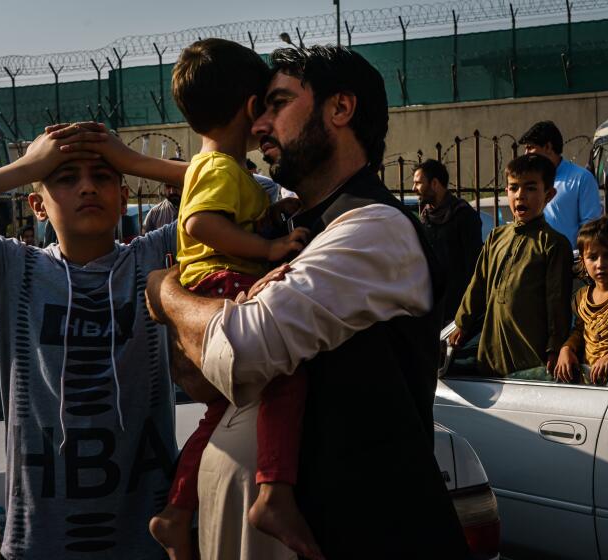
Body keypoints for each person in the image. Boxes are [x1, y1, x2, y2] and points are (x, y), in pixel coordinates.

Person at [142, 45, 469, 560]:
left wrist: (166, 293)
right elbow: (198, 373)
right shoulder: (297, 227)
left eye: (277, 104)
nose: (260, 124)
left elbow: (242, 349)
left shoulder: (372, 228)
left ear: (340, 109)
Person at [0, 125, 190, 559]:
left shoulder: (152, 260)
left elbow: (258, 194)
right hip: (39, 543)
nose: (87, 188)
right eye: (65, 177)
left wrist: (133, 160)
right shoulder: (13, 270)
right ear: (37, 205)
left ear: (124, 194)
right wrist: (22, 168)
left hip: (148, 540)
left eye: (103, 176)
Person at [141, 38, 315, 560]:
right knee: (286, 366)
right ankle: (274, 492)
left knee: (218, 413)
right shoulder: (220, 169)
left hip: (209, 284)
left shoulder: (210, 166)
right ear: (249, 107)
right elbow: (198, 223)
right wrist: (267, 246)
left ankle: (176, 512)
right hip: (220, 284)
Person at [449, 153, 573, 377]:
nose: (520, 196)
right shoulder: (496, 237)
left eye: (530, 188)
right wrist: (462, 324)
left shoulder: (553, 244)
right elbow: (478, 284)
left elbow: (557, 303)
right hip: (490, 354)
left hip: (530, 358)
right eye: (513, 188)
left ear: (549, 194)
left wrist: (554, 348)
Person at [554, 216, 608, 384]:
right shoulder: (581, 297)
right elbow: (580, 331)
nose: (600, 264)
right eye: (592, 257)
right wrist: (567, 348)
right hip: (587, 379)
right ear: (582, 260)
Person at [413, 158, 483, 323]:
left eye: (418, 183)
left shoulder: (463, 216)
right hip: (432, 307)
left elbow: (474, 266)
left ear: (435, 183)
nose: (414, 188)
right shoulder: (425, 218)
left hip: (458, 309)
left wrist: (467, 310)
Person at [519, 121, 601, 250]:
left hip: (568, 262)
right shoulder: (529, 181)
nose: (526, 154)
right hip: (535, 260)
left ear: (547, 147)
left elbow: (590, 227)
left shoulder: (581, 178)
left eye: (530, 147)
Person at [144, 157, 186, 233]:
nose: (172, 191)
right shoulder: (155, 214)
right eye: (168, 186)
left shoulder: (198, 210)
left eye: (176, 185)